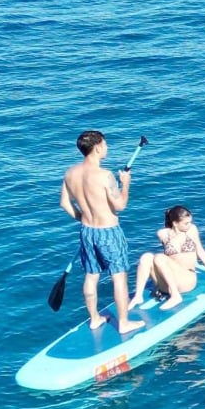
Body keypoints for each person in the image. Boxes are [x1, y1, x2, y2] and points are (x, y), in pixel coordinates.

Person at [59, 130, 144, 334]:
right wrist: (126, 184)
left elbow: (64, 204)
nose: (107, 147)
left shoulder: (70, 173)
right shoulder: (105, 176)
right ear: (97, 148)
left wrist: (83, 218)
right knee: (119, 276)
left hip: (87, 231)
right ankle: (123, 323)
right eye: (105, 144)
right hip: (108, 232)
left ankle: (95, 319)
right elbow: (120, 205)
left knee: (91, 275)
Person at [132, 205, 205, 311]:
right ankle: (138, 296)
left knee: (159, 257)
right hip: (167, 284)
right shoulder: (162, 234)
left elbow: (200, 250)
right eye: (186, 223)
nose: (189, 225)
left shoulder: (192, 230)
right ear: (175, 223)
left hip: (187, 280)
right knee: (146, 257)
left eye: (190, 222)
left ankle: (175, 296)